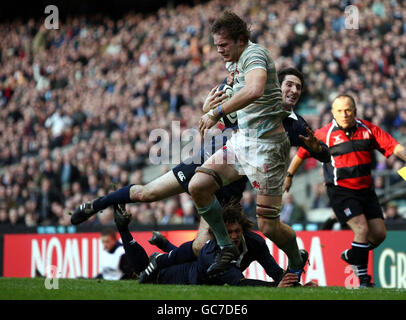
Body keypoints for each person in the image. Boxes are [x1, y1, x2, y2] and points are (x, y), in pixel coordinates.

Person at [284, 94, 406, 287]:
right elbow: (301, 153)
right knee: (362, 230)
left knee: (379, 235)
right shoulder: (325, 133)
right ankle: (364, 280)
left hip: (366, 190)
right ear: (333, 113)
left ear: (355, 111)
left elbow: (394, 147)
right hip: (341, 191)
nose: (344, 114)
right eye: (340, 111)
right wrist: (289, 176)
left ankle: (352, 254)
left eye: (348, 110)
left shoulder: (368, 129)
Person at [112, 202, 314, 287]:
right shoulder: (213, 251)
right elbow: (240, 285)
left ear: (243, 229)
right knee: (141, 272)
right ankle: (123, 227)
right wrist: (276, 287)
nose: (234, 236)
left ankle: (163, 249)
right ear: (218, 234)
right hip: (183, 276)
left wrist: (296, 285)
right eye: (229, 233)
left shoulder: (255, 243)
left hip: (193, 265)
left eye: (237, 231)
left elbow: (275, 273)